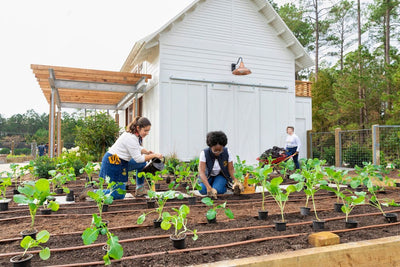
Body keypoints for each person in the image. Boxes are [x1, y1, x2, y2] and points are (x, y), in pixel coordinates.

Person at [98, 116, 163, 199]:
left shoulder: (134, 135)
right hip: (113, 163)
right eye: (145, 130)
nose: (147, 133)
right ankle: (92, 192)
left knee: (142, 164)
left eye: (148, 131)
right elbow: (138, 158)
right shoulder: (130, 138)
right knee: (118, 194)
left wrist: (146, 151)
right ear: (138, 128)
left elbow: (136, 147)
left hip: (121, 161)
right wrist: (154, 155)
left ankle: (140, 189)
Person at [198, 131, 243, 199]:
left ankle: (226, 186)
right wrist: (208, 187)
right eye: (215, 150)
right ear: (210, 147)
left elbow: (231, 169)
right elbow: (201, 171)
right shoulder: (204, 153)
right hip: (208, 176)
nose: (218, 152)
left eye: (220, 150)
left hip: (220, 175)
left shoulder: (227, 152)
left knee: (218, 190)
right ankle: (211, 185)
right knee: (203, 190)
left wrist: (236, 181)